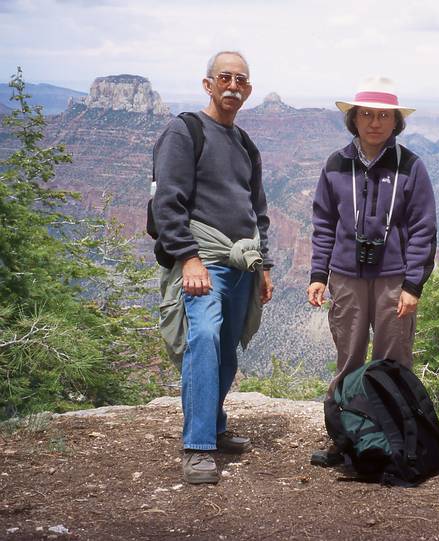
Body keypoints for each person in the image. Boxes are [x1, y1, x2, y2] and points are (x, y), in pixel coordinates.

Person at [152, 51, 274, 484]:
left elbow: (257, 209)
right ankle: (197, 445)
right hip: (203, 260)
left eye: (241, 80)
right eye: (225, 77)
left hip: (243, 263)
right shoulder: (184, 132)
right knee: (202, 339)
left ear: (249, 89)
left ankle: (215, 426)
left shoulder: (244, 144)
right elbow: (168, 201)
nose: (233, 86)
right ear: (207, 84)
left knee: (226, 350)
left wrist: (264, 266)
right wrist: (188, 257)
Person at [307, 76, 437, 465]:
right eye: (366, 114)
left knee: (392, 361)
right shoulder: (336, 165)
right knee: (348, 360)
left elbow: (423, 229)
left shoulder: (411, 166)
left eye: (383, 116)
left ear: (395, 121)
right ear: (355, 119)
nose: (374, 122)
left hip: (393, 279)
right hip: (345, 277)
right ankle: (344, 438)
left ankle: (397, 443)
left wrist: (413, 284)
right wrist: (318, 274)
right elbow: (324, 223)